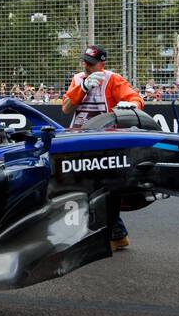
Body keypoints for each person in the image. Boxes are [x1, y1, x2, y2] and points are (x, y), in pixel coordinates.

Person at [62, 45, 145, 250]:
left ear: (102, 63)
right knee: (82, 188)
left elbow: (135, 99)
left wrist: (132, 106)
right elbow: (66, 108)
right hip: (78, 141)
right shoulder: (77, 79)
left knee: (104, 188)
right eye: (85, 62)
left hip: (106, 142)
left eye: (91, 63)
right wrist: (82, 88)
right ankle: (115, 234)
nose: (86, 66)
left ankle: (113, 234)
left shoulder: (113, 79)